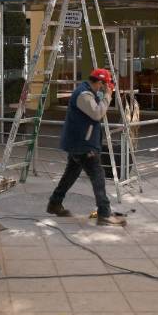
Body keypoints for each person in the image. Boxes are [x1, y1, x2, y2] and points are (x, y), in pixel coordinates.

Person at [46, 68, 126, 226]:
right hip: (83, 144)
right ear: (100, 82)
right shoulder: (83, 94)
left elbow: (96, 104)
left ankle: (55, 203)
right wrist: (108, 96)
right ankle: (104, 214)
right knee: (98, 176)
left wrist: (104, 94)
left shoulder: (89, 91)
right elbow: (97, 113)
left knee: (71, 174)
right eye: (106, 84)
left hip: (80, 142)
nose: (107, 87)